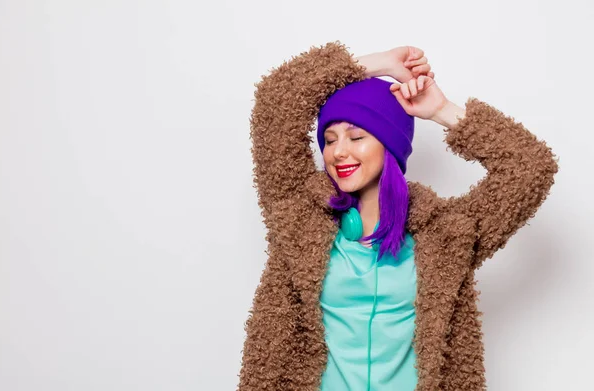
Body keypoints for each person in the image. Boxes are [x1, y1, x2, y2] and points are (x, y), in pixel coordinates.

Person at [237, 41, 558, 391]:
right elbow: (276, 101)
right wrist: (379, 63)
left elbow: (530, 168)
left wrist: (441, 109)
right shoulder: (300, 218)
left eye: (356, 136)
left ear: (389, 145)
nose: (339, 151)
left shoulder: (446, 236)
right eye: (329, 140)